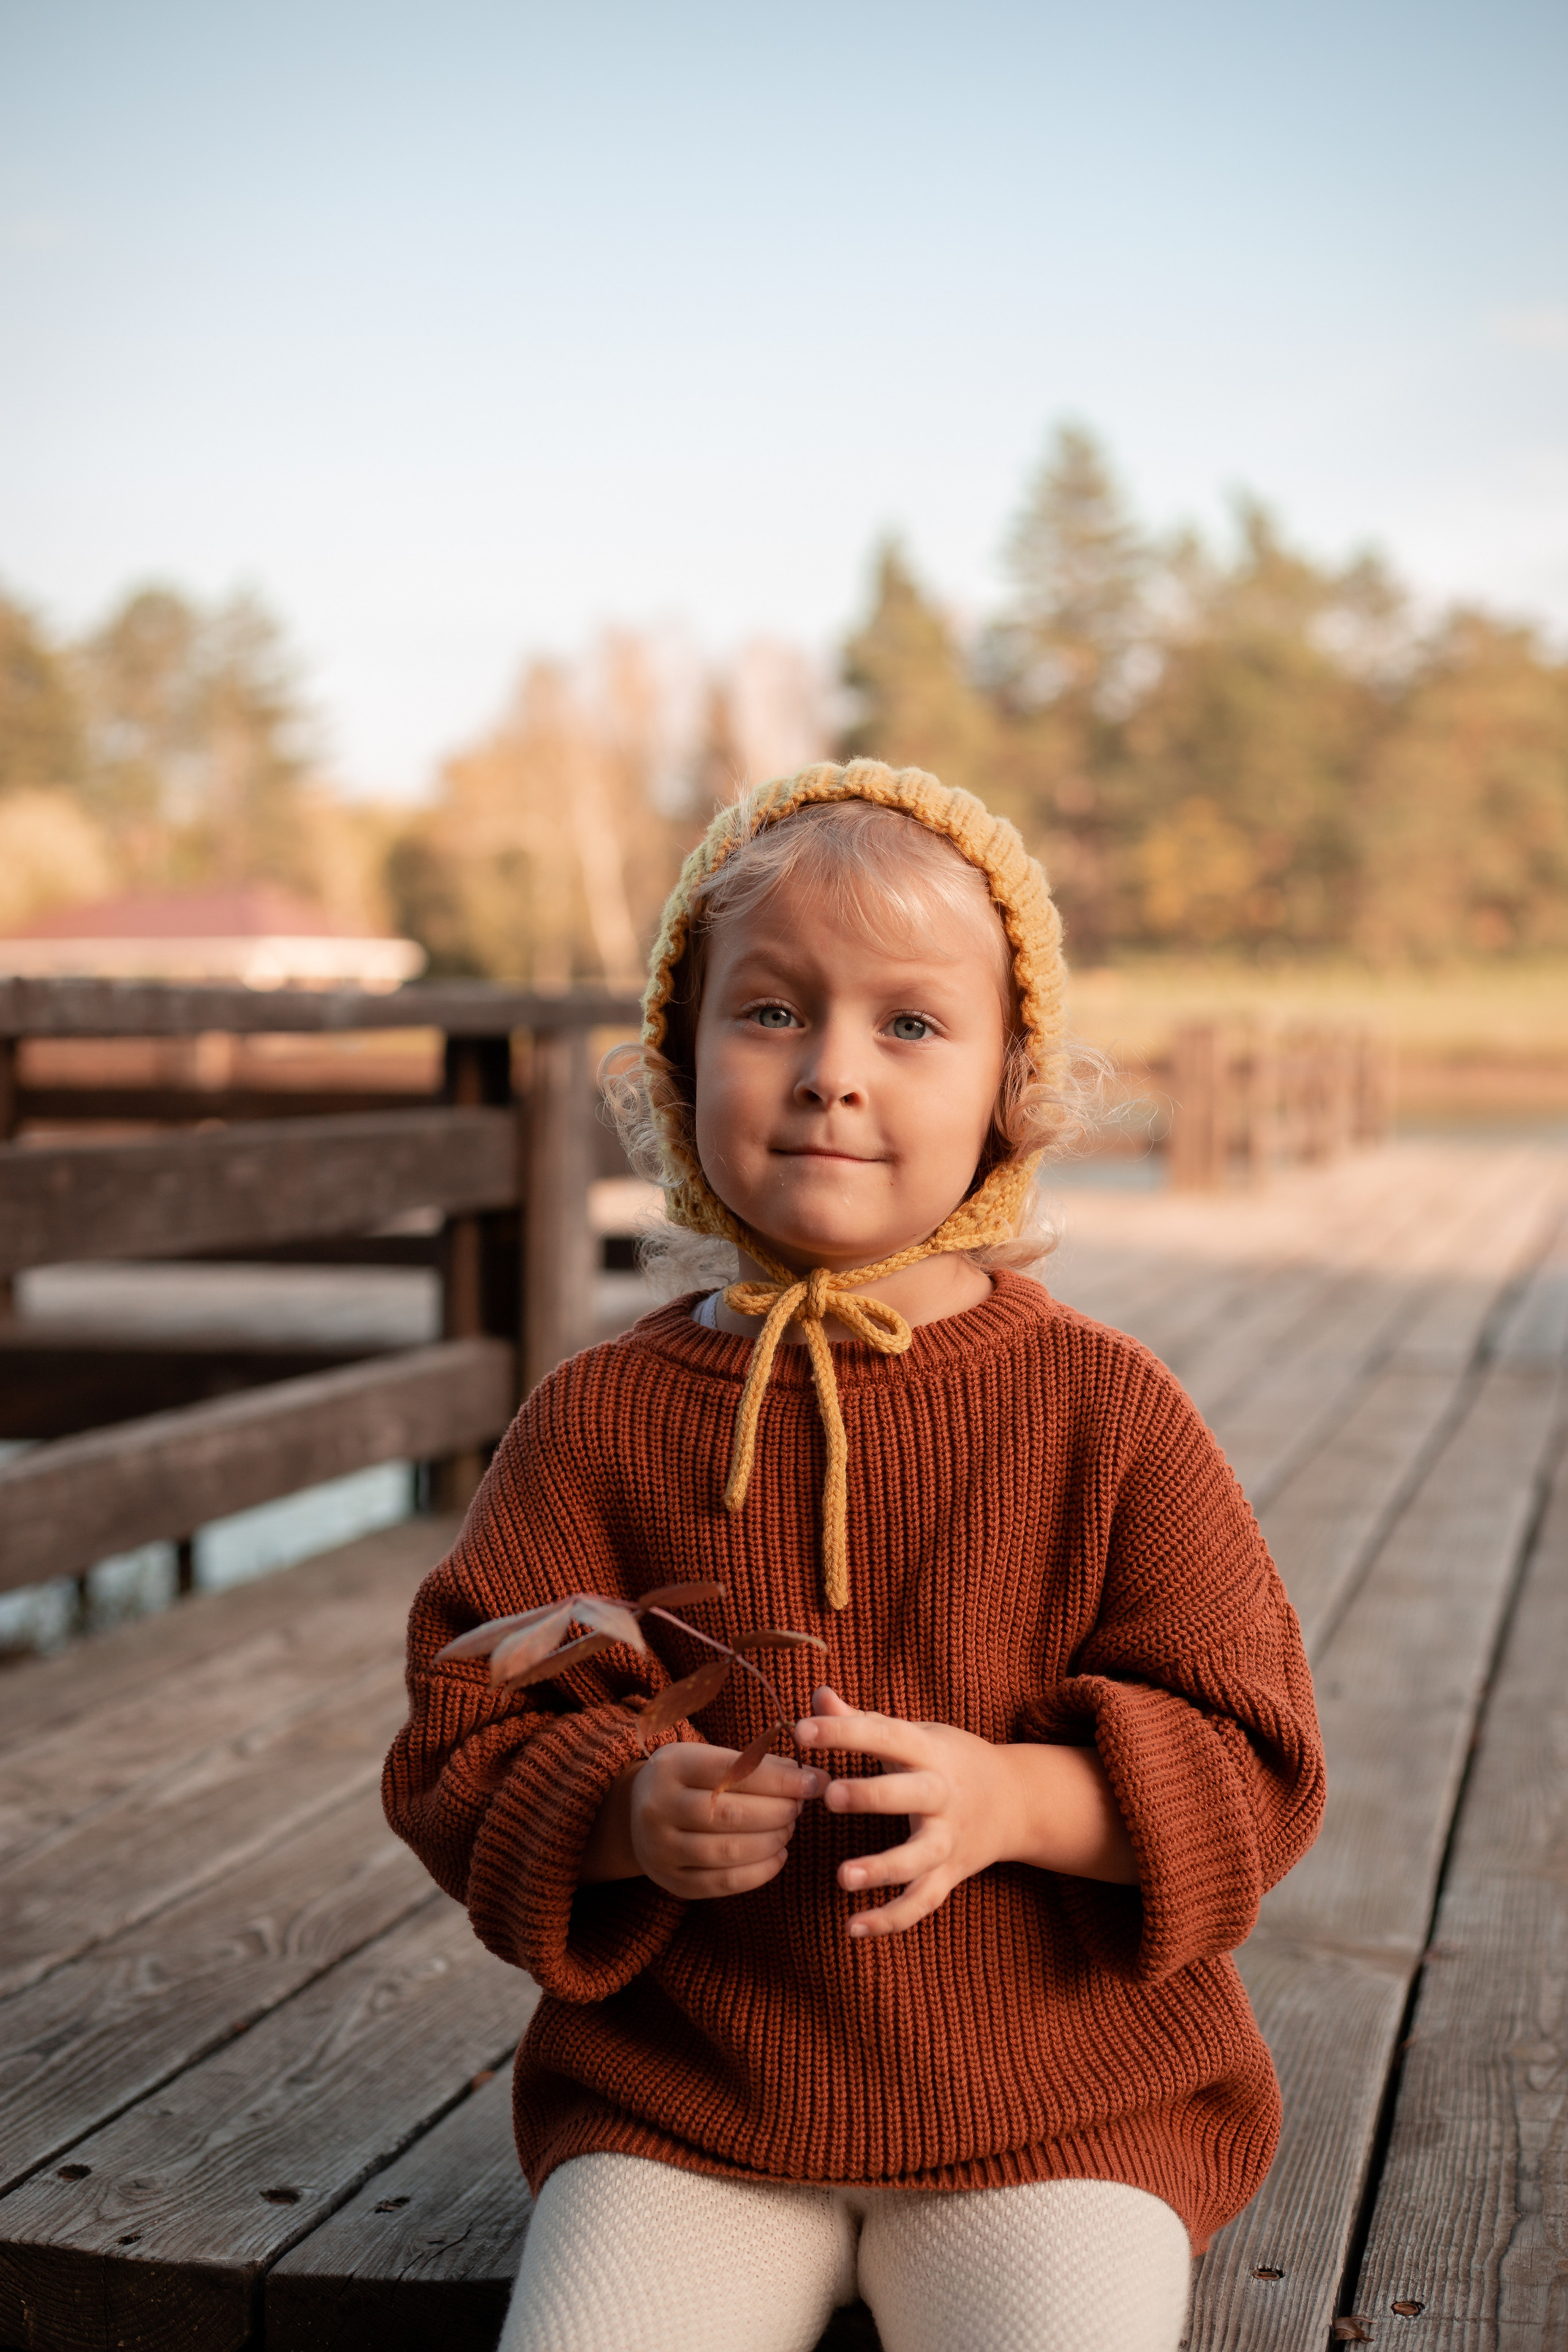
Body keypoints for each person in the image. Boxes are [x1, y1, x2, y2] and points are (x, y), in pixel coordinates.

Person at [383, 759, 1325, 2352]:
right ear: (679, 1066)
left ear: (1012, 1090)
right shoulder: (597, 1419)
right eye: (770, 1013)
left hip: (1056, 2111)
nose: (831, 1072)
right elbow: (462, 1728)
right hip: (687, 2106)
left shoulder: (1105, 1410)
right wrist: (616, 1811)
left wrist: (1022, 1798)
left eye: (909, 1023)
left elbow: (1262, 1762)